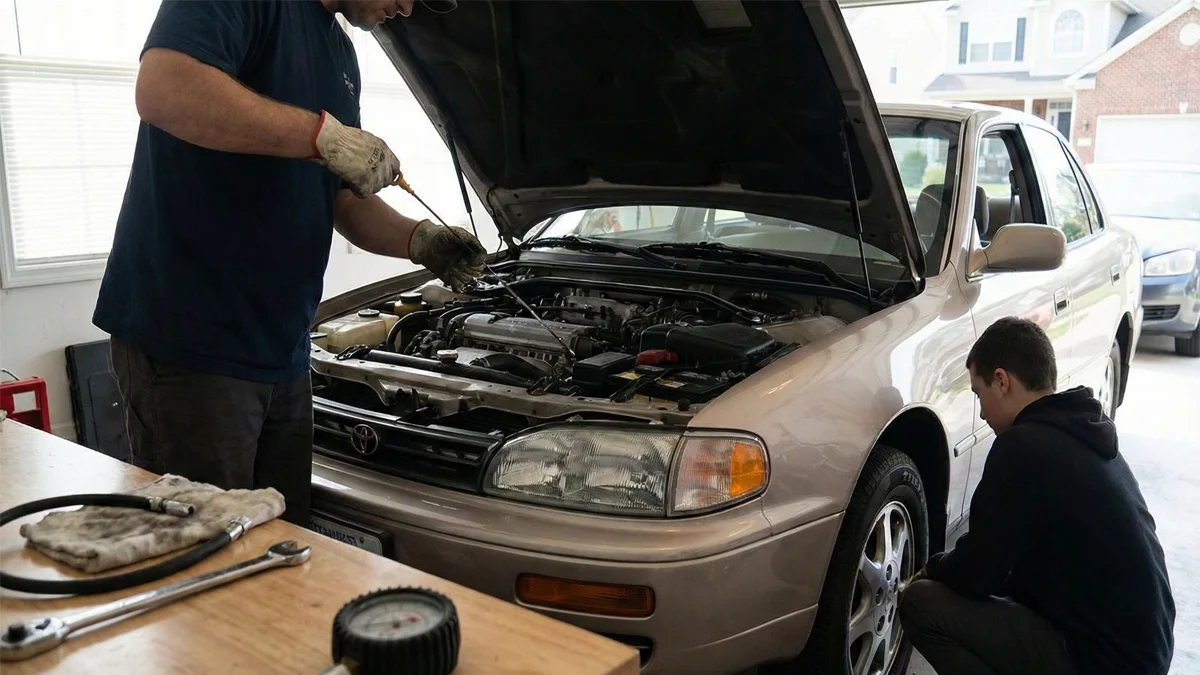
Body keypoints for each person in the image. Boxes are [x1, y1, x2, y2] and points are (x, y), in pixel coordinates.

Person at [93, 0, 486, 526]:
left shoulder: (340, 52)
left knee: (281, 543)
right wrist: (320, 135)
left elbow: (341, 199)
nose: (409, 7)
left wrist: (422, 241)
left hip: (284, 346)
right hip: (193, 343)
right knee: (204, 555)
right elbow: (164, 88)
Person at [899, 316, 1175, 675]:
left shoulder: (1022, 447)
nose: (981, 413)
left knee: (921, 603)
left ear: (1002, 381)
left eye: (978, 394)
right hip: (1142, 655)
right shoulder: (1083, 433)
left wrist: (931, 568)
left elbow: (977, 575)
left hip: (1101, 662)